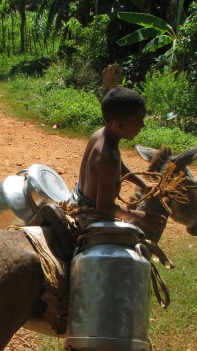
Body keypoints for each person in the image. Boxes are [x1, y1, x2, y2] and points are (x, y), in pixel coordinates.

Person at [70, 87, 166, 239]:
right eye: (138, 121)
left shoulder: (101, 135)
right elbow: (104, 208)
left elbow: (118, 165)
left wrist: (143, 183)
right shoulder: (109, 157)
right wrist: (141, 216)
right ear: (120, 125)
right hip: (89, 217)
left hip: (76, 200)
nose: (142, 126)